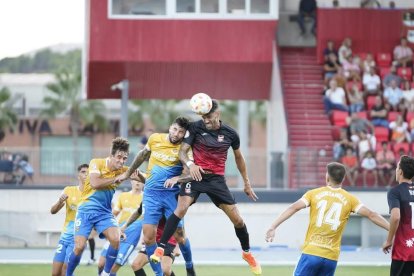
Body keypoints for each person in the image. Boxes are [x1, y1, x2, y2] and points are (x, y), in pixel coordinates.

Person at [151, 100, 261, 275]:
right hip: (195, 175)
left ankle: (247, 253)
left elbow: (239, 158)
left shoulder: (231, 134)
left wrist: (247, 183)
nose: (205, 120)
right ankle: (161, 248)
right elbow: (182, 151)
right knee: (181, 208)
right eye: (202, 116)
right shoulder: (194, 128)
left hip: (216, 180)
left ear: (218, 114)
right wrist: (190, 164)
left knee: (238, 220)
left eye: (208, 116)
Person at [265, 162, 389, 276]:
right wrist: (393, 229)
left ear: (327, 177)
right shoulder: (351, 199)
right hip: (331, 258)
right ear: (343, 178)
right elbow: (372, 214)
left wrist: (273, 226)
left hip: (311, 252)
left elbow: (294, 208)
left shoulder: (313, 194)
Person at [116, 117, 196, 276]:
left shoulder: (185, 148)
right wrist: (128, 173)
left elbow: (192, 173)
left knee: (180, 236)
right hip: (151, 195)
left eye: (181, 132)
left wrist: (177, 179)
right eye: (175, 129)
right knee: (148, 237)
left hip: (170, 196)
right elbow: (141, 155)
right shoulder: (155, 139)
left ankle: (190, 266)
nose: (176, 134)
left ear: (184, 134)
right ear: (170, 127)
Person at [66, 137, 132, 276]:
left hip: (104, 213)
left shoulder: (124, 170)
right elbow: (95, 183)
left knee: (115, 240)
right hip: (86, 210)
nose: (121, 161)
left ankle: (106, 274)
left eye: (124, 158)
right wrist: (117, 178)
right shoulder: (96, 162)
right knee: (79, 247)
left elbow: (144, 176)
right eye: (119, 157)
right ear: (111, 155)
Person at [98, 174, 145, 275]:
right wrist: (108, 229)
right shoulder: (123, 196)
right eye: (135, 180)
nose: (137, 182)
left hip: (131, 238)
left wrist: (145, 237)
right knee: (101, 263)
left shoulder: (146, 198)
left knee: (113, 267)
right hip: (117, 234)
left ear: (144, 183)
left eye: (140, 180)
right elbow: (113, 215)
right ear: (131, 181)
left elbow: (148, 220)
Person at [50, 164, 88, 276]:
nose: (86, 174)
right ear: (78, 175)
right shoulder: (69, 190)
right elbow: (53, 211)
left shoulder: (93, 195)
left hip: (77, 240)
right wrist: (60, 202)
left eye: (88, 172)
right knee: (55, 273)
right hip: (64, 238)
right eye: (83, 172)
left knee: (65, 271)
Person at [383, 156, 414, 275]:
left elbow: (396, 217)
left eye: (396, 167)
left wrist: (389, 240)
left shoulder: (395, 191)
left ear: (400, 171)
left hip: (404, 251)